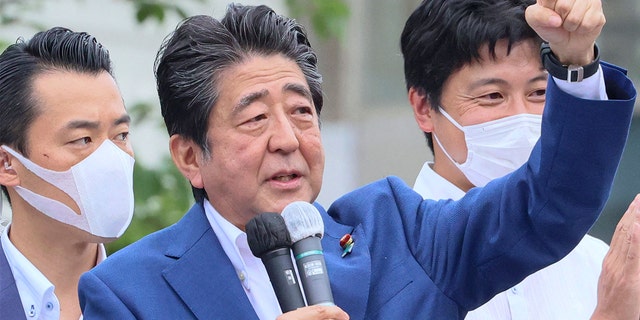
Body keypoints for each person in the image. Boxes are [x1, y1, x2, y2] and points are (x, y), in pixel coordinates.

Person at [78, 2, 636, 319]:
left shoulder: (398, 231)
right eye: (254, 119)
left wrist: (574, 62)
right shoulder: (128, 291)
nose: (286, 139)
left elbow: (550, 201)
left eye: (301, 112)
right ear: (189, 157)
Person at [401, 0, 621, 318]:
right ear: (424, 108)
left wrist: (576, 56)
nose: (520, 117)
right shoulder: (387, 262)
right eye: (492, 96)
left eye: (539, 93)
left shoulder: (597, 265)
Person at [0, 27, 135, 319]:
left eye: (121, 135)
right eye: (83, 139)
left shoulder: (159, 295)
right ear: (6, 164)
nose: (111, 158)